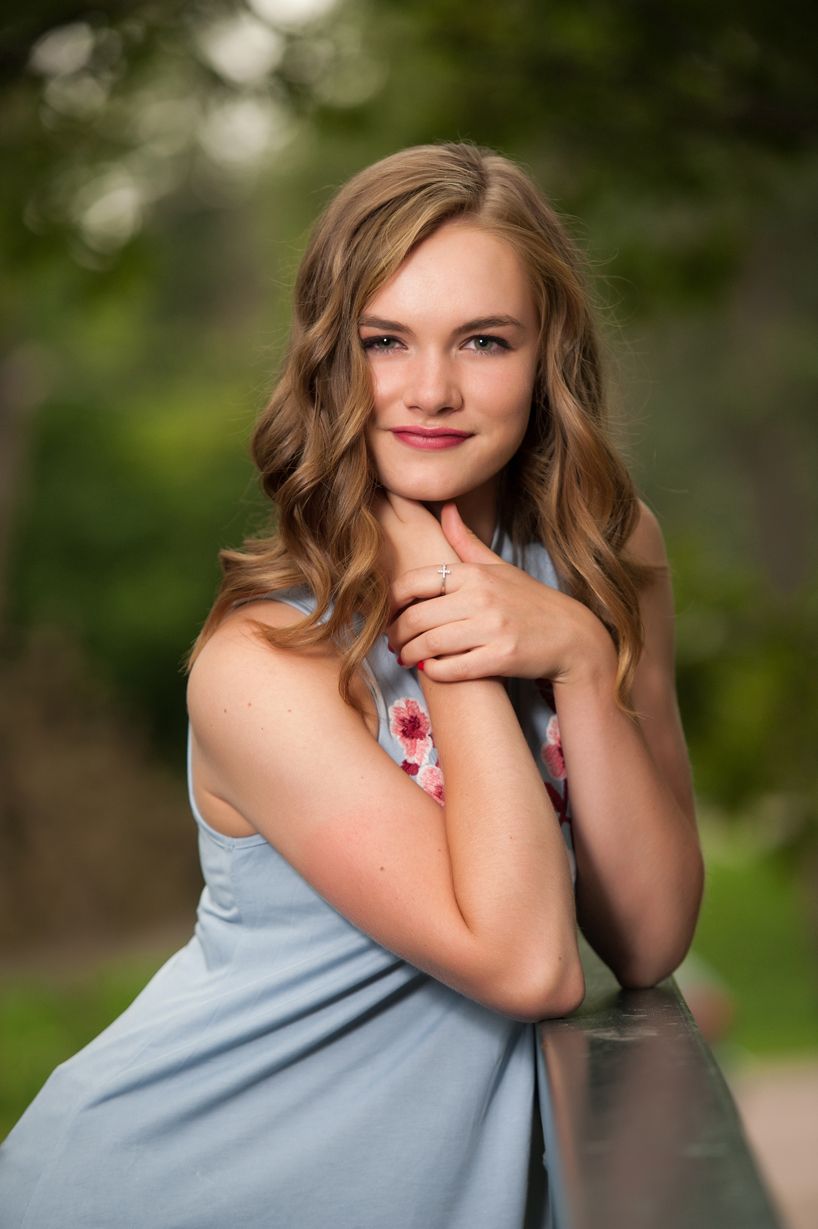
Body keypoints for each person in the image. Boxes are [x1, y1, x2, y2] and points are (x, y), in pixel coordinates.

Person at [0, 142, 703, 1228]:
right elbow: (526, 963)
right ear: (330, 359)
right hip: (177, 1186)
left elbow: (648, 936)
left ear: (544, 355)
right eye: (384, 341)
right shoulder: (261, 660)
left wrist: (569, 653)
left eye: (482, 339)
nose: (430, 389)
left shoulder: (611, 556)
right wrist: (439, 600)